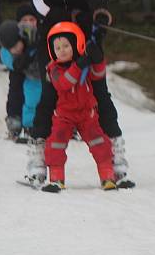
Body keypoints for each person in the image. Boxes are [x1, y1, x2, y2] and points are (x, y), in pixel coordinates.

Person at [26, 0, 133, 188]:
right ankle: (37, 157)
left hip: (84, 38)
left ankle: (116, 155)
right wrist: (68, 15)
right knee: (49, 95)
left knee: (100, 92)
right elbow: (40, 3)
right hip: (53, 40)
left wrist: (97, 11)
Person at [42, 21, 116, 192]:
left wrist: (97, 60)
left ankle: (107, 175)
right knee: (56, 144)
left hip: (87, 114)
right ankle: (56, 178)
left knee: (100, 143)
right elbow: (63, 84)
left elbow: (98, 76)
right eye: (57, 47)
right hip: (64, 115)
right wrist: (79, 65)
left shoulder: (84, 63)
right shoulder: (53, 69)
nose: (61, 50)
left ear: (76, 44)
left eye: (66, 45)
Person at [0, 5, 42, 142]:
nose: (28, 23)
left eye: (32, 19)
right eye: (24, 20)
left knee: (35, 95)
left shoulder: (40, 34)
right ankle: (15, 117)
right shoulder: (14, 35)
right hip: (20, 72)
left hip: (37, 73)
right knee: (16, 91)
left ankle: (36, 122)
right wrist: (15, 62)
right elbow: (5, 52)